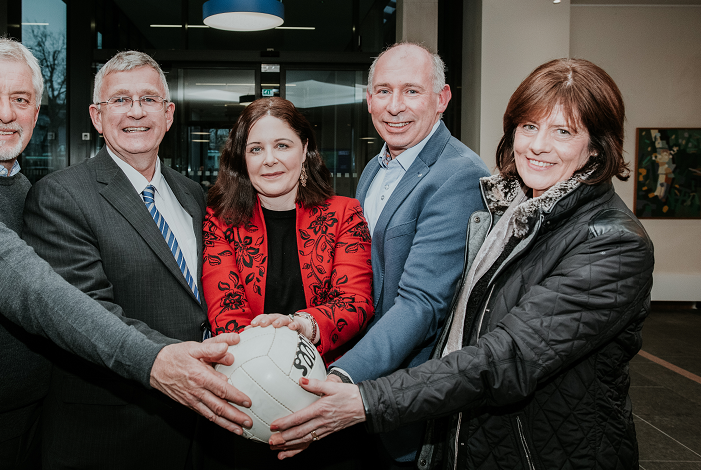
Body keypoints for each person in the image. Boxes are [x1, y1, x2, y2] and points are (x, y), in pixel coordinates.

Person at [0, 36, 251, 470]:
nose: (5, 112)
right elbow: (34, 292)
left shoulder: (13, 182)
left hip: (21, 424)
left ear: (36, 113)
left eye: (21, 99)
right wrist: (155, 360)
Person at [268, 58, 655, 470]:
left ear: (596, 145)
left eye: (562, 132)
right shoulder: (514, 210)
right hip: (478, 432)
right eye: (529, 127)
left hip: (547, 449)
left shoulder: (613, 243)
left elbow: (506, 357)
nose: (538, 145)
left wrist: (364, 397)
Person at [22, 50, 218, 469]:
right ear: (97, 116)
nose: (136, 112)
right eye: (120, 100)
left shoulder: (193, 194)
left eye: (148, 99)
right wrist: (186, 361)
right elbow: (87, 311)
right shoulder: (61, 196)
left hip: (197, 427)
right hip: (112, 430)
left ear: (168, 114)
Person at [324, 42, 489, 466]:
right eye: (383, 91)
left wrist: (343, 374)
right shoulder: (374, 167)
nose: (395, 106)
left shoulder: (459, 175)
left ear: (441, 99)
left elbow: (422, 304)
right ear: (368, 100)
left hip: (409, 389)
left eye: (412, 91)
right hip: (369, 382)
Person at [199, 97, 375, 468]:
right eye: (256, 149)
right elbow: (226, 312)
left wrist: (301, 325)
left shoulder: (345, 213)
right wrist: (269, 392)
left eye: (282, 145)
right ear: (241, 160)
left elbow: (354, 303)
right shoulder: (220, 219)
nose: (269, 159)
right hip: (246, 400)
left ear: (305, 149)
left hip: (327, 404)